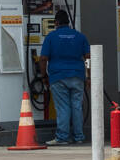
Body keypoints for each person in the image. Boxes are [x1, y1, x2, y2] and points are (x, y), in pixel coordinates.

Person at [38, 9, 90, 146]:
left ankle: (62, 137)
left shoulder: (51, 37)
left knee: (63, 107)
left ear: (56, 22)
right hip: (78, 76)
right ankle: (79, 136)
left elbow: (43, 59)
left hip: (58, 77)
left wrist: (44, 77)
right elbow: (88, 58)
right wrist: (89, 76)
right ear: (68, 22)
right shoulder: (80, 37)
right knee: (77, 106)